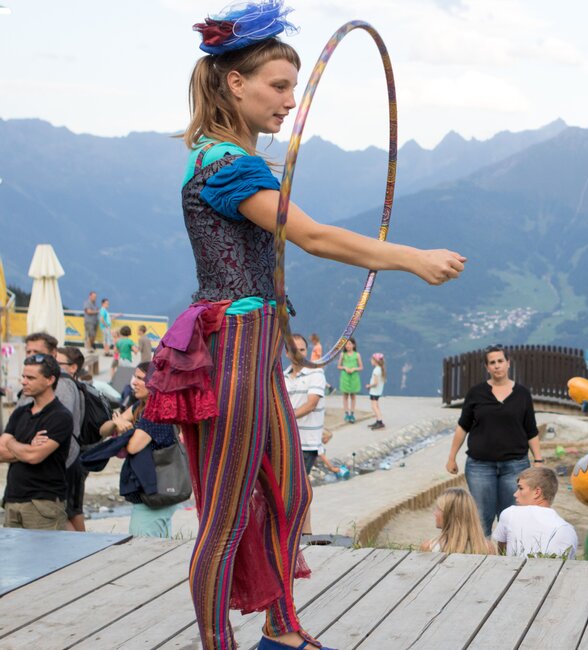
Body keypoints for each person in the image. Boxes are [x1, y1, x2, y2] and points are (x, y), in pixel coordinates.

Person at [167, 4, 466, 647]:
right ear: (233, 84)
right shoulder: (226, 165)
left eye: (292, 89)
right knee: (223, 513)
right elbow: (312, 237)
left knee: (291, 494)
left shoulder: (228, 160)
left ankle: (282, 629)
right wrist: (410, 259)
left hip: (253, 346)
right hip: (230, 350)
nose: (287, 102)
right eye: (278, 87)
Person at [446, 345, 542, 536]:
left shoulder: (522, 394)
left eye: (500, 361)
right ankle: (481, 560)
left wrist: (538, 460)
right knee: (481, 518)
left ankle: (509, 560)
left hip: (515, 465)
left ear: (508, 363)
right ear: (487, 367)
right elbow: (463, 426)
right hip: (480, 466)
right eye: (492, 363)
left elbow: (531, 429)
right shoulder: (476, 393)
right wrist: (451, 457)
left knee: (512, 518)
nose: (497, 366)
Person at [90, 363, 182, 537]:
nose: (134, 382)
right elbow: (103, 429)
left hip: (156, 494)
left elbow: (133, 447)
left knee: (142, 548)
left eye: (141, 378)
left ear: (156, 382)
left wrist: (125, 428)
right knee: (158, 549)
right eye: (134, 376)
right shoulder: (140, 407)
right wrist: (116, 424)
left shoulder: (158, 412)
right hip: (153, 495)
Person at [0, 354, 73, 530]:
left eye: (31, 378)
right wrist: (27, 448)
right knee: (12, 558)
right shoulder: (20, 412)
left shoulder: (60, 416)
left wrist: (11, 441)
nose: (24, 382)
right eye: (23, 377)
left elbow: (34, 456)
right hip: (12, 499)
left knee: (45, 557)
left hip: (42, 504)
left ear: (50, 380)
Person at [284, 334, 326, 534]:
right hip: (286, 441)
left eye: (302, 350)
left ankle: (303, 532)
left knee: (298, 488)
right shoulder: (281, 377)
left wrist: (285, 417)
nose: (299, 353)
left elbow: (312, 404)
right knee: (295, 488)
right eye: (294, 350)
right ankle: (302, 533)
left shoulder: (315, 373)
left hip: (307, 443)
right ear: (287, 353)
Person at [493, 467, 579, 558]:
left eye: (520, 488)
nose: (515, 494)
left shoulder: (510, 513)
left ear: (537, 492)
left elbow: (502, 552)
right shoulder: (568, 529)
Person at [53, 345, 91, 532]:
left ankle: (83, 553)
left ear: (73, 367)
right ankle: (85, 551)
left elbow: (62, 423)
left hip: (70, 457)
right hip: (78, 456)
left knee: (66, 512)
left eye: (57, 363)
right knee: (73, 510)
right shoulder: (80, 388)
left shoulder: (66, 387)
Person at [419, 488, 495, 555]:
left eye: (438, 509)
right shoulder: (487, 548)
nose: (434, 513)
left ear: (450, 515)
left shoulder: (429, 547)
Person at [338, 338, 362, 424]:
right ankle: (346, 413)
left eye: (350, 344)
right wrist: (345, 367)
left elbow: (361, 367)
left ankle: (352, 413)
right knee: (345, 396)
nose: (348, 346)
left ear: (353, 345)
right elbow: (339, 366)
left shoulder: (357, 355)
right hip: (345, 377)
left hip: (354, 376)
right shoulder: (342, 354)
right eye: (346, 344)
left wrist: (354, 369)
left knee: (353, 396)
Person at [366, 352, 386, 430]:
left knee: (374, 406)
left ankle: (380, 421)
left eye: (372, 360)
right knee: (376, 406)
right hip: (378, 391)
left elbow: (375, 383)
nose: (371, 361)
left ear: (375, 361)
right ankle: (378, 420)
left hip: (374, 391)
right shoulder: (380, 369)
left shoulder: (376, 370)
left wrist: (369, 386)